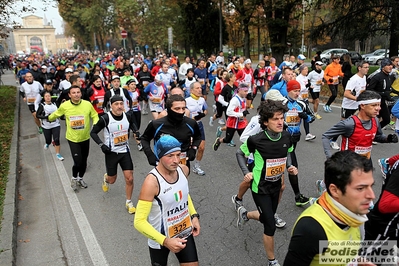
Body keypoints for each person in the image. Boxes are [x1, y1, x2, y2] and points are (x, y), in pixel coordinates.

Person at [284, 150, 375, 266]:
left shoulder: (355, 214)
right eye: (360, 188)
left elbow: (337, 253)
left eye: (371, 186)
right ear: (335, 190)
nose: (372, 195)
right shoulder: (311, 229)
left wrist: (357, 261)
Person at [235, 99, 297, 266]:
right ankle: (272, 260)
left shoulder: (286, 136)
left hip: (276, 185)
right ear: (265, 122)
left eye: (281, 118)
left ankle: (245, 214)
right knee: (270, 225)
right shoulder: (256, 140)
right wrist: (246, 173)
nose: (280, 122)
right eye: (275, 119)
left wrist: (290, 166)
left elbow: (289, 152)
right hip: (259, 187)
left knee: (265, 217)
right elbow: (239, 154)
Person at [134, 135, 200, 266]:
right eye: (170, 156)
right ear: (159, 156)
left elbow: (184, 195)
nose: (176, 160)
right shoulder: (152, 182)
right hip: (161, 240)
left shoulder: (183, 170)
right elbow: (139, 222)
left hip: (183, 231)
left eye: (178, 154)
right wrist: (166, 241)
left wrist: (194, 216)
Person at [318, 91, 398, 195]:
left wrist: (388, 139)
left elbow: (377, 136)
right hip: (347, 163)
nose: (378, 108)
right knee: (341, 190)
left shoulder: (375, 121)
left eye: (379, 105)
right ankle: (323, 189)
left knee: (361, 186)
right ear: (363, 105)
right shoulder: (349, 124)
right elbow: (326, 136)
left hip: (366, 160)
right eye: (374, 105)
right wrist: (329, 158)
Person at [90, 95, 140, 214]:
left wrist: (136, 131)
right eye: (116, 104)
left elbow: (132, 124)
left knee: (130, 178)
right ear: (111, 105)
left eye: (121, 104)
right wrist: (102, 145)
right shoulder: (105, 118)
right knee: (112, 180)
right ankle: (106, 178)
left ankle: (129, 202)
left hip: (125, 152)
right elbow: (93, 133)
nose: (119, 106)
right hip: (111, 153)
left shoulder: (127, 115)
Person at [48, 85, 99, 191]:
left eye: (78, 92)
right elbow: (56, 114)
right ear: (69, 95)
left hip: (85, 137)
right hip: (72, 139)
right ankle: (74, 177)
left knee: (84, 161)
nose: (76, 94)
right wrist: (48, 118)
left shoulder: (87, 104)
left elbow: (94, 115)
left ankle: (80, 179)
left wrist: (95, 124)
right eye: (74, 93)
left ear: (81, 93)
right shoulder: (65, 106)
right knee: (77, 162)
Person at [141, 94, 202, 168]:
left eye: (183, 108)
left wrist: (193, 149)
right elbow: (144, 139)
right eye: (177, 109)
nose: (181, 112)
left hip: (183, 164)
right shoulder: (156, 124)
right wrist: (149, 154)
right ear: (169, 109)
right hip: (162, 165)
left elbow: (198, 137)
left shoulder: (191, 123)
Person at [283, 80, 315, 206]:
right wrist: (284, 124)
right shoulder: (282, 103)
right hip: (283, 140)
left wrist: (305, 117)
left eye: (298, 91)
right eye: (294, 91)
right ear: (288, 90)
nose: (297, 93)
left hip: (295, 139)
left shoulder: (302, 103)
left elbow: (312, 117)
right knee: (292, 166)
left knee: (289, 165)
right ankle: (297, 196)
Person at [365, 156, 399, 249]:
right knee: (368, 260)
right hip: (383, 228)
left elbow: (390, 161)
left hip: (390, 225)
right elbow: (385, 205)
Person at [213, 83, 249, 151]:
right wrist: (241, 114)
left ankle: (245, 154)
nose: (246, 93)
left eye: (247, 91)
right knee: (227, 140)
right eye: (245, 91)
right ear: (240, 90)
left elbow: (242, 110)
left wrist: (244, 114)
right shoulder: (235, 100)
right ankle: (219, 141)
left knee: (245, 138)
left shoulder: (243, 98)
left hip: (241, 123)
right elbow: (228, 112)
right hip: (232, 123)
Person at [185, 82, 207, 176]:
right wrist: (193, 118)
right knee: (188, 148)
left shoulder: (202, 100)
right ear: (191, 90)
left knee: (201, 147)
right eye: (197, 88)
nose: (200, 90)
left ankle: (196, 166)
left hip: (199, 125)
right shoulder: (186, 101)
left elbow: (205, 110)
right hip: (189, 126)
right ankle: (183, 166)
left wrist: (203, 114)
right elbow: (184, 115)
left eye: (200, 88)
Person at [36, 91, 64, 161]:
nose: (48, 97)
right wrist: (46, 117)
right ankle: (48, 143)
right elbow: (37, 115)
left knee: (56, 139)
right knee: (48, 140)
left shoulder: (55, 104)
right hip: (46, 126)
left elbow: (60, 112)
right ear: (44, 98)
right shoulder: (42, 106)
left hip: (56, 124)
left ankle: (58, 154)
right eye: (46, 96)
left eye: (49, 96)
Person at [366, 58, 394, 129]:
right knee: (373, 120)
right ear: (383, 66)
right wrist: (383, 94)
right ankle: (370, 133)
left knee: (387, 119)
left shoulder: (388, 77)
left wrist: (389, 95)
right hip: (374, 102)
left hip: (383, 102)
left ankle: (375, 132)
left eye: (391, 65)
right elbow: (370, 90)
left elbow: (387, 89)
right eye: (388, 65)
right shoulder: (377, 77)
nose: (390, 67)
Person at [295, 65, 316, 141]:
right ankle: (294, 131)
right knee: (301, 116)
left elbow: (306, 88)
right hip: (300, 100)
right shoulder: (298, 78)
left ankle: (308, 134)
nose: (307, 70)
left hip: (305, 98)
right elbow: (298, 89)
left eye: (307, 69)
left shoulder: (306, 78)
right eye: (305, 69)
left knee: (305, 116)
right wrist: (307, 86)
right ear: (301, 70)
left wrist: (310, 87)